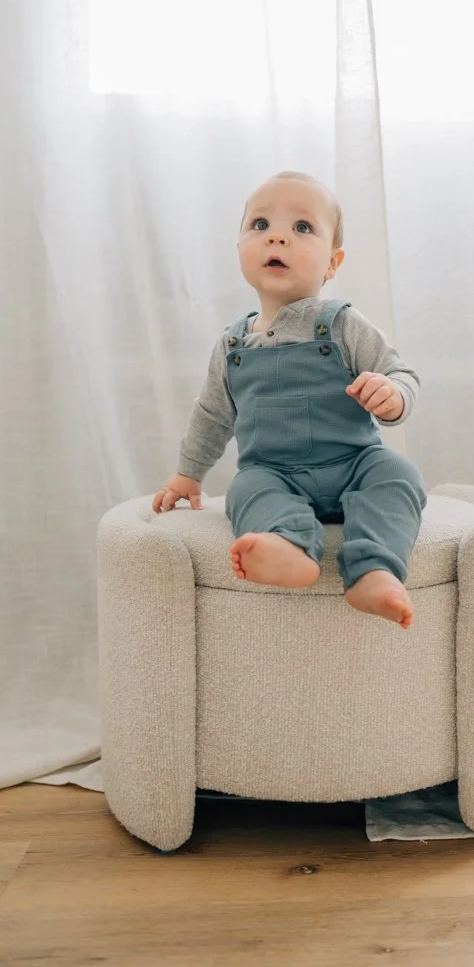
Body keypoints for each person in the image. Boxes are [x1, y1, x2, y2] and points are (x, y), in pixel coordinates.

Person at [153, 171, 427, 629]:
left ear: (332, 263)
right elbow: (212, 416)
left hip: (355, 465)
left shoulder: (343, 324)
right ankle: (287, 545)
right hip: (275, 474)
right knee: (245, 489)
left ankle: (374, 570)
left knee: (399, 473)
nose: (277, 235)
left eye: (302, 228)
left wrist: (393, 394)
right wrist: (187, 474)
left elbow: (402, 373)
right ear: (238, 247)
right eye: (260, 225)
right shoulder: (232, 344)